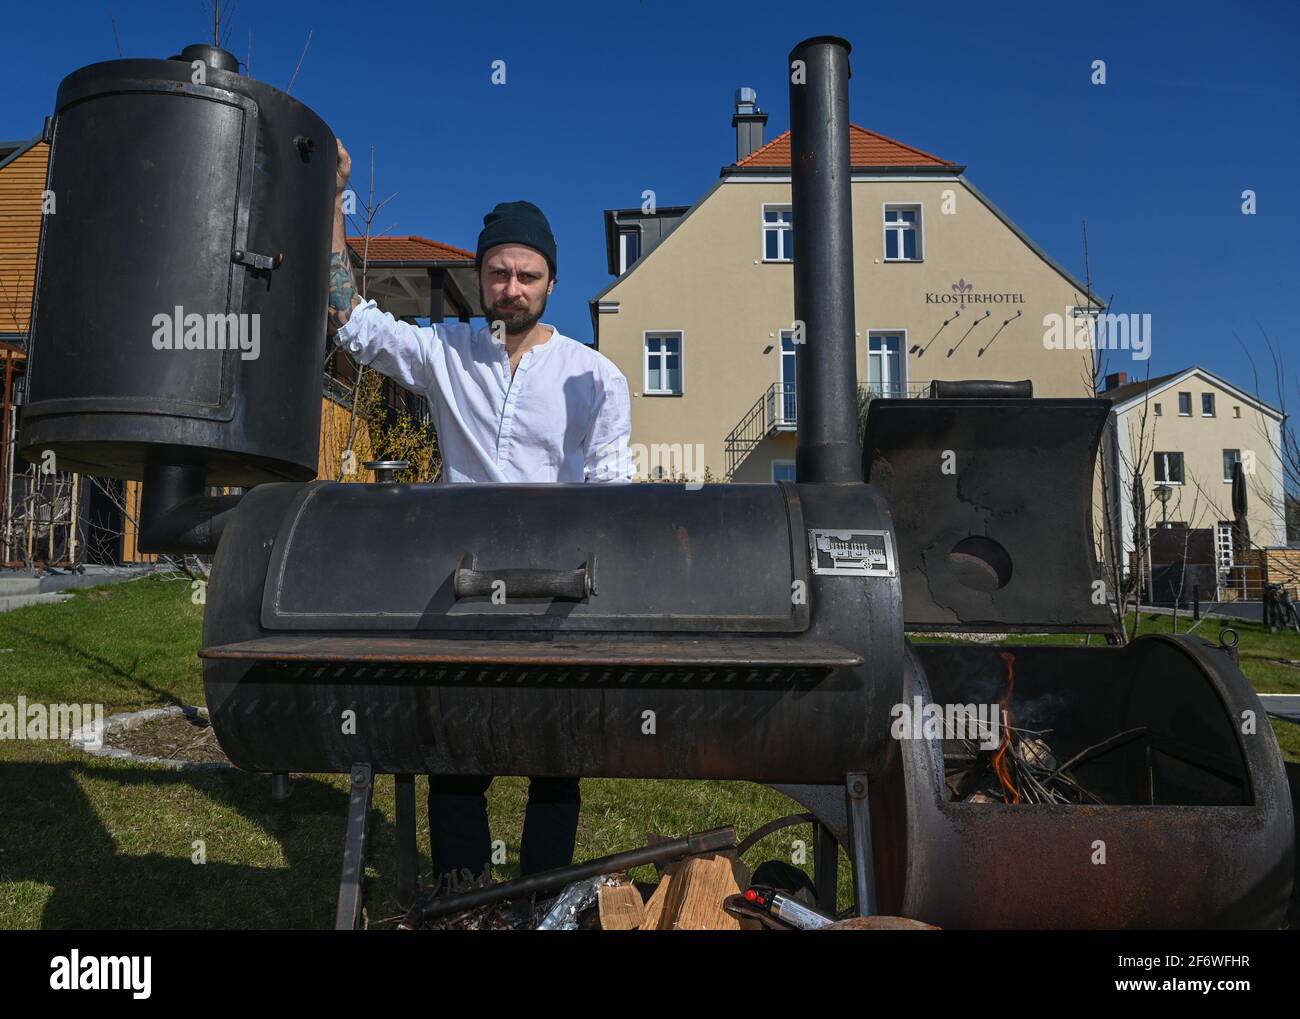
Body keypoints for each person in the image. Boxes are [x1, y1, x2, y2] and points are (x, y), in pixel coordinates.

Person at [325, 139, 634, 881]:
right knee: (455, 754)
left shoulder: (596, 378)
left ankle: (541, 900)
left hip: (557, 593)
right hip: (460, 586)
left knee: (557, 759)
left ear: (551, 282)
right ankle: (463, 897)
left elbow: (615, 498)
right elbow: (354, 322)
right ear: (480, 274)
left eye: (528, 273)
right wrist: (336, 198)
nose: (512, 287)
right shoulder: (447, 351)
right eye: (499, 271)